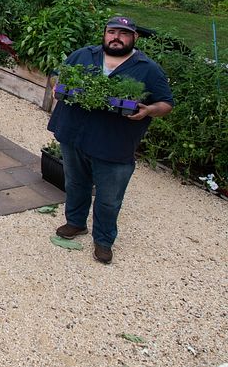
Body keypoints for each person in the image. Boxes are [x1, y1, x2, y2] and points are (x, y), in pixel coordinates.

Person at [47, 16, 173, 265]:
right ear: (104, 34)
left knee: (109, 197)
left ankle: (103, 240)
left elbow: (165, 103)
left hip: (114, 143)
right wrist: (56, 86)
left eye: (123, 33)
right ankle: (75, 222)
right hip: (75, 134)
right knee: (75, 183)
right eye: (112, 32)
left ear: (134, 38)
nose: (117, 37)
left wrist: (148, 111)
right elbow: (56, 76)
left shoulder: (148, 68)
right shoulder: (84, 55)